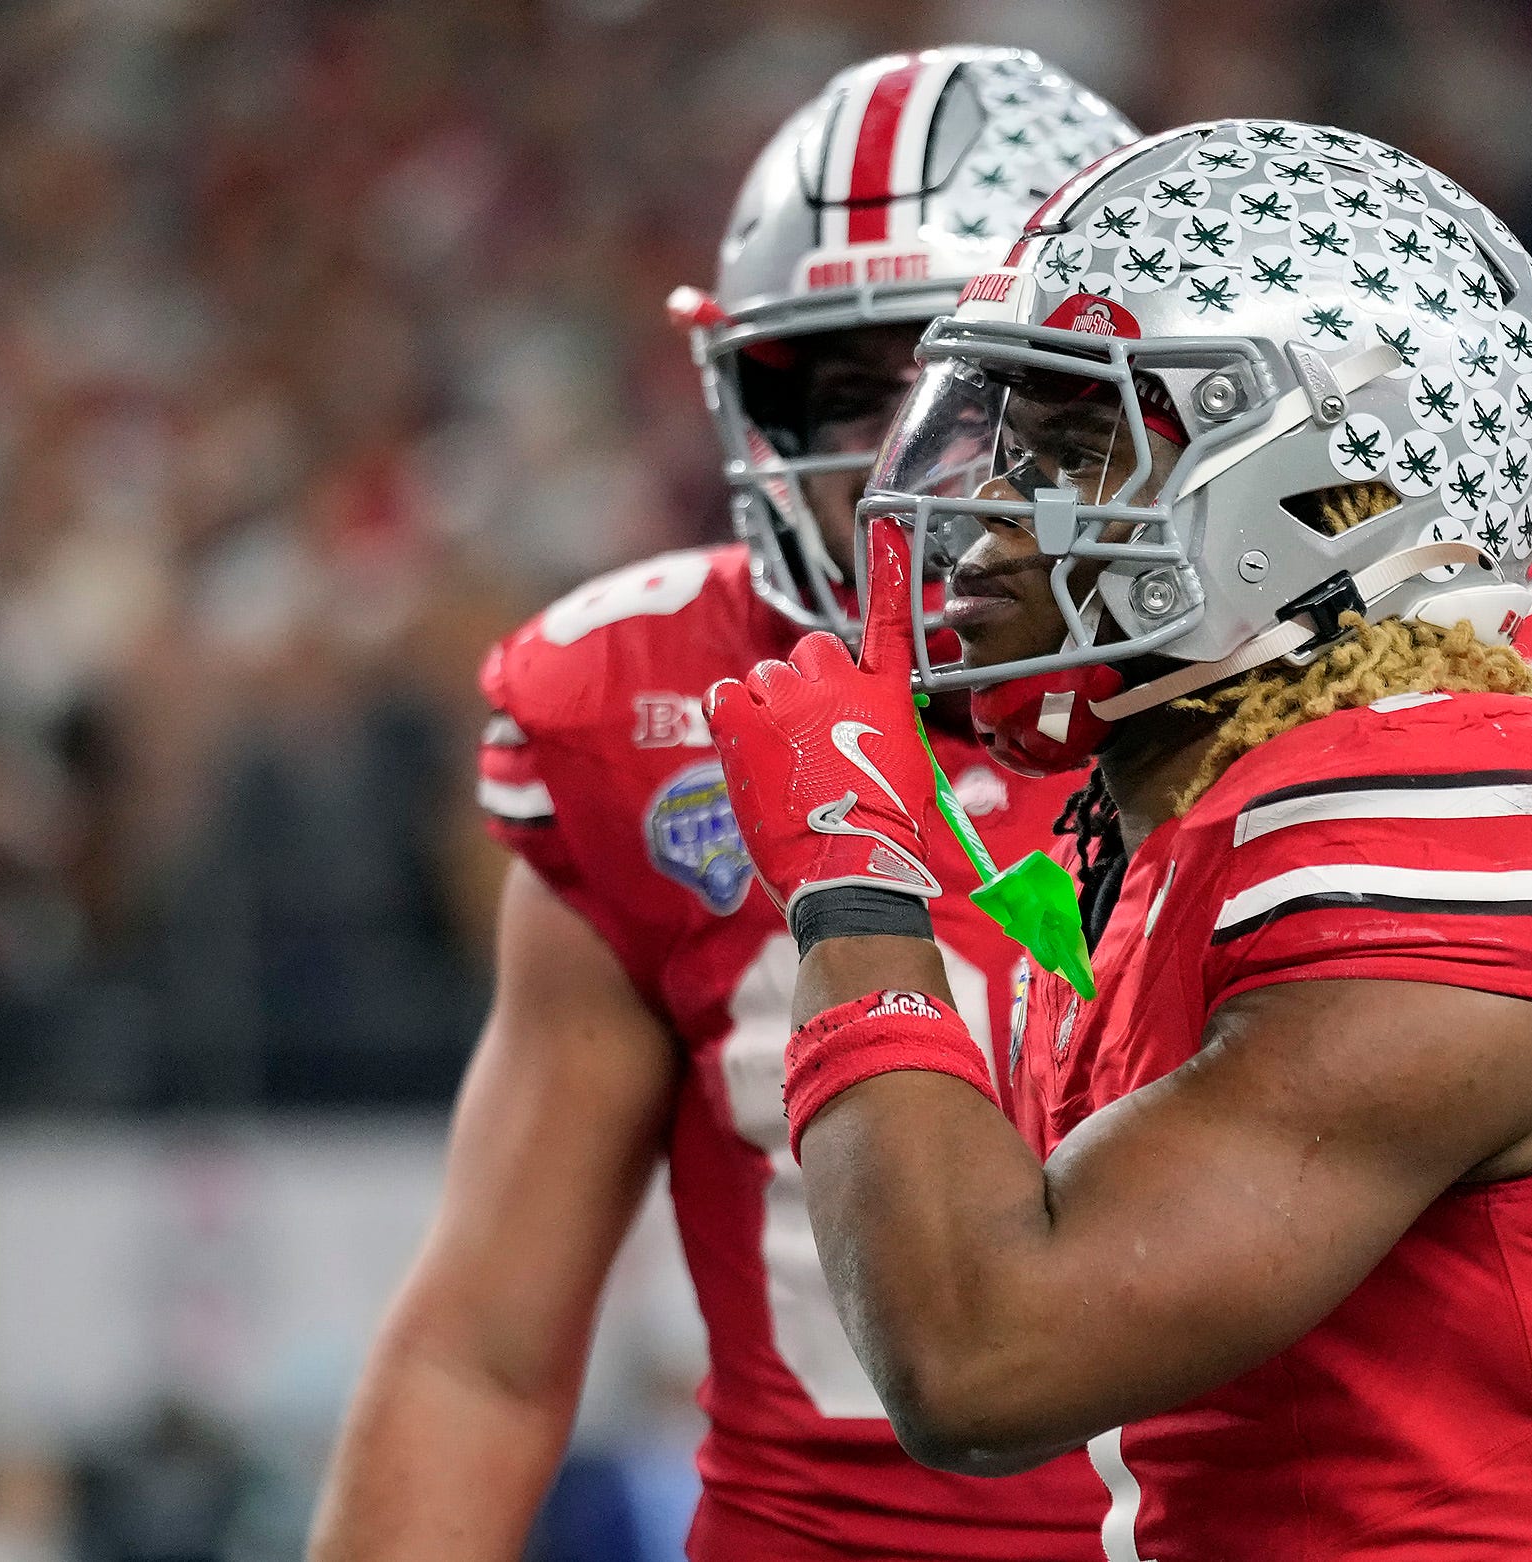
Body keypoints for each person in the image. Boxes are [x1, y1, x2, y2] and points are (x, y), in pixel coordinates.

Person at [703, 119, 1532, 1560]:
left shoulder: (1436, 808)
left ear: (1311, 486)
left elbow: (982, 1355)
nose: (979, 508)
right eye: (1002, 431)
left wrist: (853, 874)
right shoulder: (1204, 823)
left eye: (1072, 440)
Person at [308, 49, 1143, 1561]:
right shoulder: (648, 713)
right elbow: (484, 1349)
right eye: (848, 385)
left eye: (968, 376)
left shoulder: (1291, 694)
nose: (906, 454)